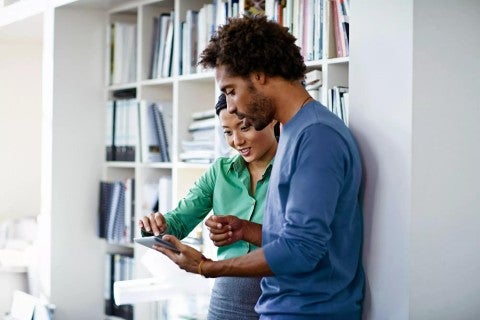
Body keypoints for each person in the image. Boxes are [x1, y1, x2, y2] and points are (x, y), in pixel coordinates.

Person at [153, 15, 365, 320]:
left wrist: (206, 267)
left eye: (231, 90)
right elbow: (298, 238)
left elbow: (301, 250)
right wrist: (247, 230)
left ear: (259, 75)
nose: (231, 107)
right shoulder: (295, 131)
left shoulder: (317, 136)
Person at [138, 93, 278, 320]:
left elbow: (297, 240)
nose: (236, 141)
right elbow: (180, 220)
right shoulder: (220, 171)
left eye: (245, 127)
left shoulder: (292, 169)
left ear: (271, 119)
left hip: (280, 289)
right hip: (228, 292)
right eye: (227, 132)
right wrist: (158, 226)